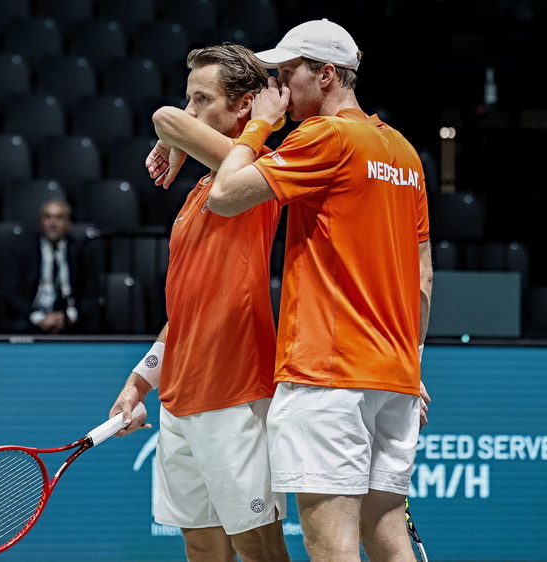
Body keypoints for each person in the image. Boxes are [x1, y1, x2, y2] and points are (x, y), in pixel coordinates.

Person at [207, 19, 434, 562]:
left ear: (327, 74)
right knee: (387, 538)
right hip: (395, 376)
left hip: (327, 375)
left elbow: (225, 195)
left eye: (288, 75)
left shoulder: (325, 135)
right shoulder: (403, 152)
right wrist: (414, 363)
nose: (279, 90)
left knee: (330, 548)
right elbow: (423, 276)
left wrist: (259, 127)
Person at [108, 44, 290, 562]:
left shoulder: (260, 174)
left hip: (233, 388)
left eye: (201, 99)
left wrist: (175, 137)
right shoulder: (199, 193)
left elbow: (165, 118)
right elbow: (185, 312)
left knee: (259, 549)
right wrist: (140, 380)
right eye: (189, 99)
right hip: (179, 397)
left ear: (244, 107)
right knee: (202, 547)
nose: (187, 111)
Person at [0, 199, 102, 334]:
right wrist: (39, 318)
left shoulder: (80, 252)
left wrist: (69, 318)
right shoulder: (23, 251)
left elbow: (91, 294)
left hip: (71, 322)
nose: (53, 223)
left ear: (68, 223)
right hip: (31, 319)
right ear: (40, 223)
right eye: (47, 217)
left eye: (59, 218)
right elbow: (11, 291)